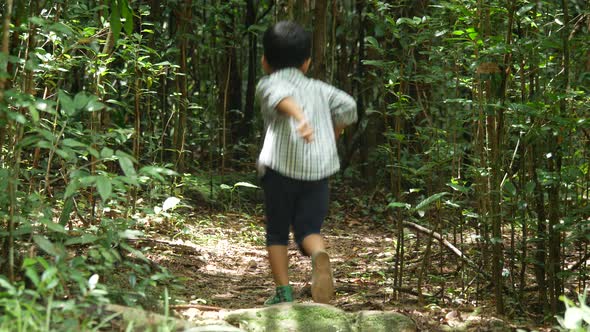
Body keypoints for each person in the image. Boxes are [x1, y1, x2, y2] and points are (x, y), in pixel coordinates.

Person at [256, 20, 357, 305]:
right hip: (317, 171)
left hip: (280, 171)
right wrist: (332, 134)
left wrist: (299, 117)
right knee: (309, 230)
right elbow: (348, 106)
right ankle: (317, 255)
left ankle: (283, 293)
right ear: (307, 62)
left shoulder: (267, 82)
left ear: (265, 61)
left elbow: (280, 98)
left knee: (277, 231)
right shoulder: (319, 89)